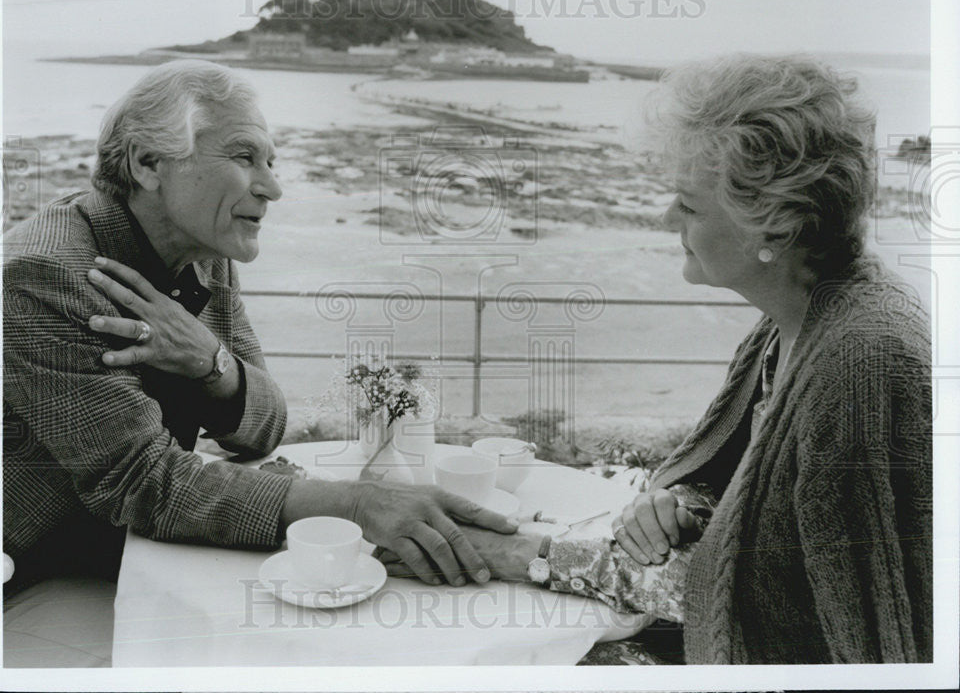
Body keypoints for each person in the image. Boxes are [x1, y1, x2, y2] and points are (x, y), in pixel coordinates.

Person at [378, 54, 933, 665]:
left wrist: (519, 554)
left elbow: (802, 605)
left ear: (775, 224)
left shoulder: (865, 361)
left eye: (689, 206)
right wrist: (684, 505)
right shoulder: (795, 323)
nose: (666, 217)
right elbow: (761, 516)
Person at [2, 60, 514, 666]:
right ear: (147, 164)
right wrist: (352, 502)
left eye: (272, 163)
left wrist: (209, 360)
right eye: (245, 158)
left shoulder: (203, 246)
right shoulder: (49, 275)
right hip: (30, 575)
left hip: (136, 552)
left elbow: (266, 423)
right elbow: (144, 485)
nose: (272, 188)